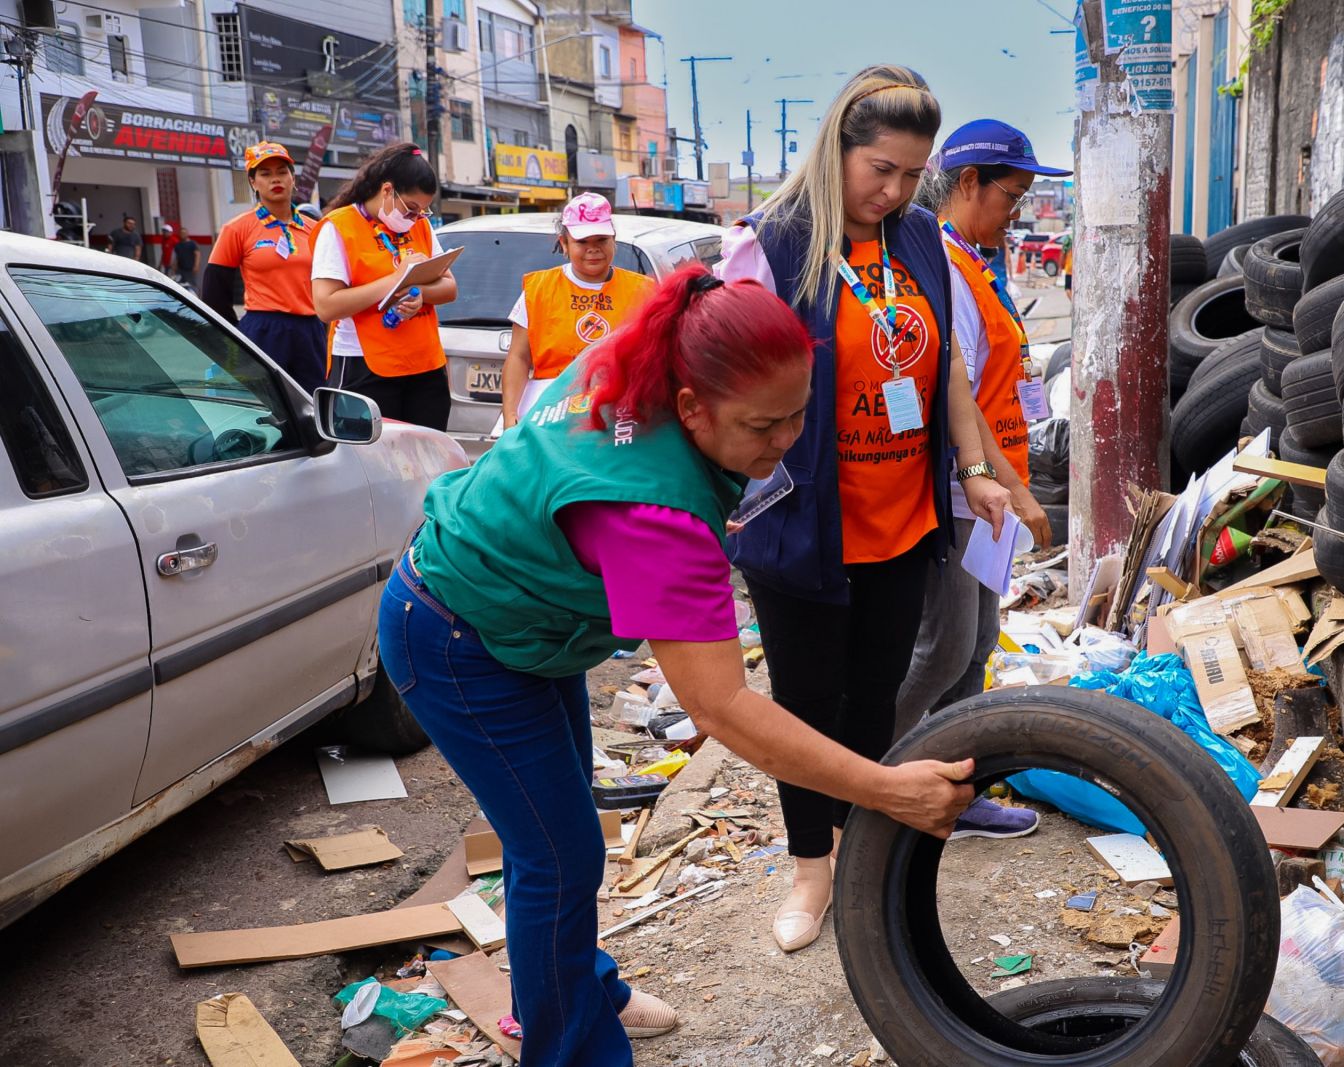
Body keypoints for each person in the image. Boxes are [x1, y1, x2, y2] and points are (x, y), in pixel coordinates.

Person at [377, 263, 974, 1067]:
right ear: (691, 407)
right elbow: (722, 707)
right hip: (455, 635)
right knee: (559, 854)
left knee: (556, 839)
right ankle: (570, 1049)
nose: (787, 441)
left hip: (524, 616)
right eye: (762, 426)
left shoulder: (665, 342)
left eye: (799, 413)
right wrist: (885, 788)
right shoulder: (654, 516)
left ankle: (577, 984)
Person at [717, 64, 1018, 953]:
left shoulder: (919, 239)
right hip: (804, 519)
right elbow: (728, 383)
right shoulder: (776, 245)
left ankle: (855, 845)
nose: (893, 191)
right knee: (806, 701)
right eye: (880, 169)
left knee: (875, 693)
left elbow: (948, 367)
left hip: (902, 517)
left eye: (912, 174)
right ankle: (810, 866)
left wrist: (975, 470)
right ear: (838, 149)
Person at [892, 120, 1069, 834]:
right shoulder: (945, 267)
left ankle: (955, 791)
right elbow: (955, 394)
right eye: (1011, 196)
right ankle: (867, 777)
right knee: (943, 649)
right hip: (965, 492)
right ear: (968, 183)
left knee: (976, 646)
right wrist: (1015, 490)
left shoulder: (976, 263)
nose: (1017, 213)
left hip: (990, 494)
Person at [310, 142, 456, 430]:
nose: (415, 218)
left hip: (425, 364)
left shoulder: (419, 226)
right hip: (366, 366)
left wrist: (420, 294)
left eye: (422, 211)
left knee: (427, 452)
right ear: (387, 190)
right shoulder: (339, 227)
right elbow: (326, 306)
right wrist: (395, 280)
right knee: (369, 453)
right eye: (411, 208)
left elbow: (450, 288)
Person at [501, 192, 656, 429]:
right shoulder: (539, 289)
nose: (593, 249)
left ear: (613, 240)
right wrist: (510, 415)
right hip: (550, 412)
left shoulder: (644, 290)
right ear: (564, 243)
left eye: (601, 240)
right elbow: (519, 357)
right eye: (582, 242)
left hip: (620, 414)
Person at [204, 143, 326, 395]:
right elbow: (214, 289)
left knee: (314, 401)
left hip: (311, 330)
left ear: (293, 178)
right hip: (264, 330)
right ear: (253, 182)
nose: (275, 180)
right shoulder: (237, 228)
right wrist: (233, 338)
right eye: (265, 174)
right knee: (269, 402)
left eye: (282, 172)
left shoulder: (315, 229)